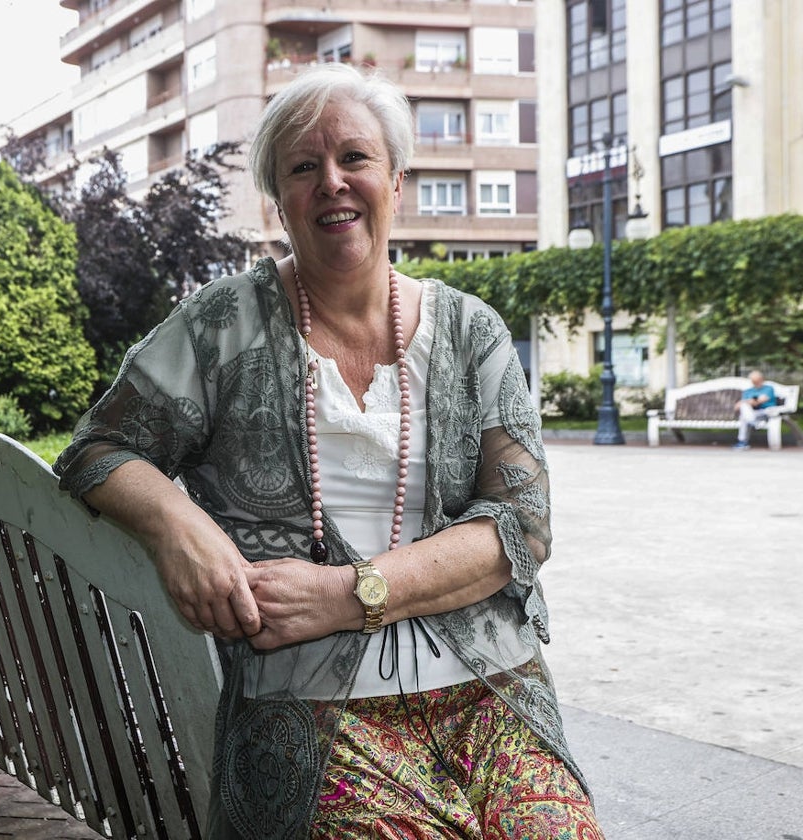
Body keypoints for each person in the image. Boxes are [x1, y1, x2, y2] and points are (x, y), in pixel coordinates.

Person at [55, 62, 601, 839]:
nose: (332, 183)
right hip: (313, 713)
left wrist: (348, 594)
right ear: (279, 201)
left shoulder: (471, 330)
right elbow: (99, 447)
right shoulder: (222, 325)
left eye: (355, 159)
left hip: (490, 692)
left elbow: (522, 527)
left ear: (397, 181)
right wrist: (178, 523)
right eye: (303, 168)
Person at [733, 370, 776, 450]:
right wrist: (748, 402)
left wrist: (748, 401)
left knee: (744, 416)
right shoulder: (748, 391)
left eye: (757, 380)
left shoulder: (768, 389)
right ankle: (753, 423)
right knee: (744, 411)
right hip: (753, 413)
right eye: (754, 381)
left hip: (766, 413)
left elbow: (761, 400)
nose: (756, 383)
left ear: (762, 379)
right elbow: (737, 406)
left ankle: (742, 442)